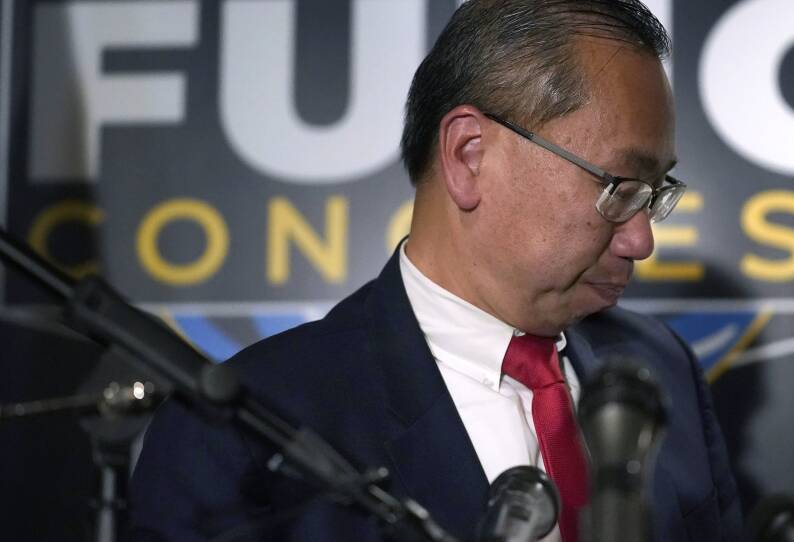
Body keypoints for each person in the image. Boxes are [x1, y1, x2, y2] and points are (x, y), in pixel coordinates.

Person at [129, 1, 743, 541]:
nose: (641, 240)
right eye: (620, 187)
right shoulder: (244, 430)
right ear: (469, 156)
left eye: (655, 193)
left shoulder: (660, 368)